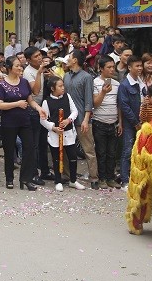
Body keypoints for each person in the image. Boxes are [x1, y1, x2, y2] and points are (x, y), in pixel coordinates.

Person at [0, 56, 46, 191]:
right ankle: (9, 178)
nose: (20, 68)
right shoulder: (2, 85)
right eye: (17, 65)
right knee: (9, 151)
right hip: (8, 122)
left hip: (24, 121)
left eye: (20, 65)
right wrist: (16, 104)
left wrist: (39, 108)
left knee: (29, 149)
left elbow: (30, 100)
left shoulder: (23, 82)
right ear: (9, 68)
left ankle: (26, 179)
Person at [40, 76, 85, 192]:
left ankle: (73, 180)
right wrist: (53, 128)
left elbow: (75, 111)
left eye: (63, 85)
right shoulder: (46, 102)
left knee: (72, 156)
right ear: (52, 88)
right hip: (55, 134)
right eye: (60, 86)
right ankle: (58, 180)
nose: (63, 88)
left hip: (69, 132)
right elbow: (43, 120)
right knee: (56, 158)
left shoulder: (67, 97)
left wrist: (68, 120)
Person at [64, 50, 99, 189]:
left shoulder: (86, 77)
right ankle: (67, 176)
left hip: (82, 120)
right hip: (68, 119)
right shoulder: (66, 76)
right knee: (67, 149)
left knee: (88, 150)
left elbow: (89, 101)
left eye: (70, 57)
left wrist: (85, 119)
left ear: (75, 60)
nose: (68, 59)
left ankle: (94, 177)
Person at [23, 46, 54, 182]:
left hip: (43, 108)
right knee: (34, 143)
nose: (40, 58)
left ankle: (45, 171)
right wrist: (39, 73)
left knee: (43, 142)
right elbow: (35, 91)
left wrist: (50, 75)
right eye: (36, 57)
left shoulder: (42, 68)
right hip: (32, 110)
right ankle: (33, 173)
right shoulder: (28, 72)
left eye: (39, 55)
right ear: (29, 60)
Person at [92, 56, 121, 189]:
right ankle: (102, 178)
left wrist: (120, 122)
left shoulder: (117, 84)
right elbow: (95, 104)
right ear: (101, 68)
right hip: (99, 122)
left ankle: (110, 177)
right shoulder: (95, 82)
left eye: (113, 67)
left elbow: (119, 105)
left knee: (112, 153)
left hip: (113, 123)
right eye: (108, 67)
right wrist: (103, 92)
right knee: (101, 152)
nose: (111, 69)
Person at [117, 55, 144, 190]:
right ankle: (124, 180)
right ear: (129, 67)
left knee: (139, 151)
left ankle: (137, 178)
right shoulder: (124, 85)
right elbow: (124, 106)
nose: (140, 68)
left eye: (140, 65)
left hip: (141, 122)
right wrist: (135, 123)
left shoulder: (141, 82)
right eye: (137, 66)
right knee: (127, 151)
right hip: (130, 124)